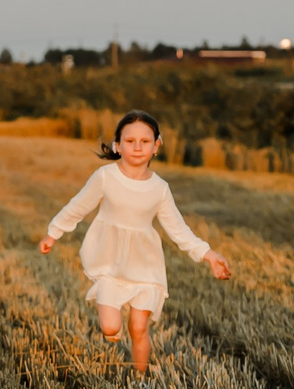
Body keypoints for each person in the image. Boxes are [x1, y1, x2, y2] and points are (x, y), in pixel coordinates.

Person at [40, 110, 231, 374]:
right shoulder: (105, 177)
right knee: (110, 328)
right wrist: (53, 233)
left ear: (156, 146)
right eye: (130, 141)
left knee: (139, 328)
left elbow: (178, 230)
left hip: (146, 265)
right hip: (110, 263)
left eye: (145, 141)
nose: (138, 147)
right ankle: (114, 333)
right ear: (117, 146)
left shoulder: (160, 188)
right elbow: (78, 207)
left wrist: (208, 254)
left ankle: (140, 378)